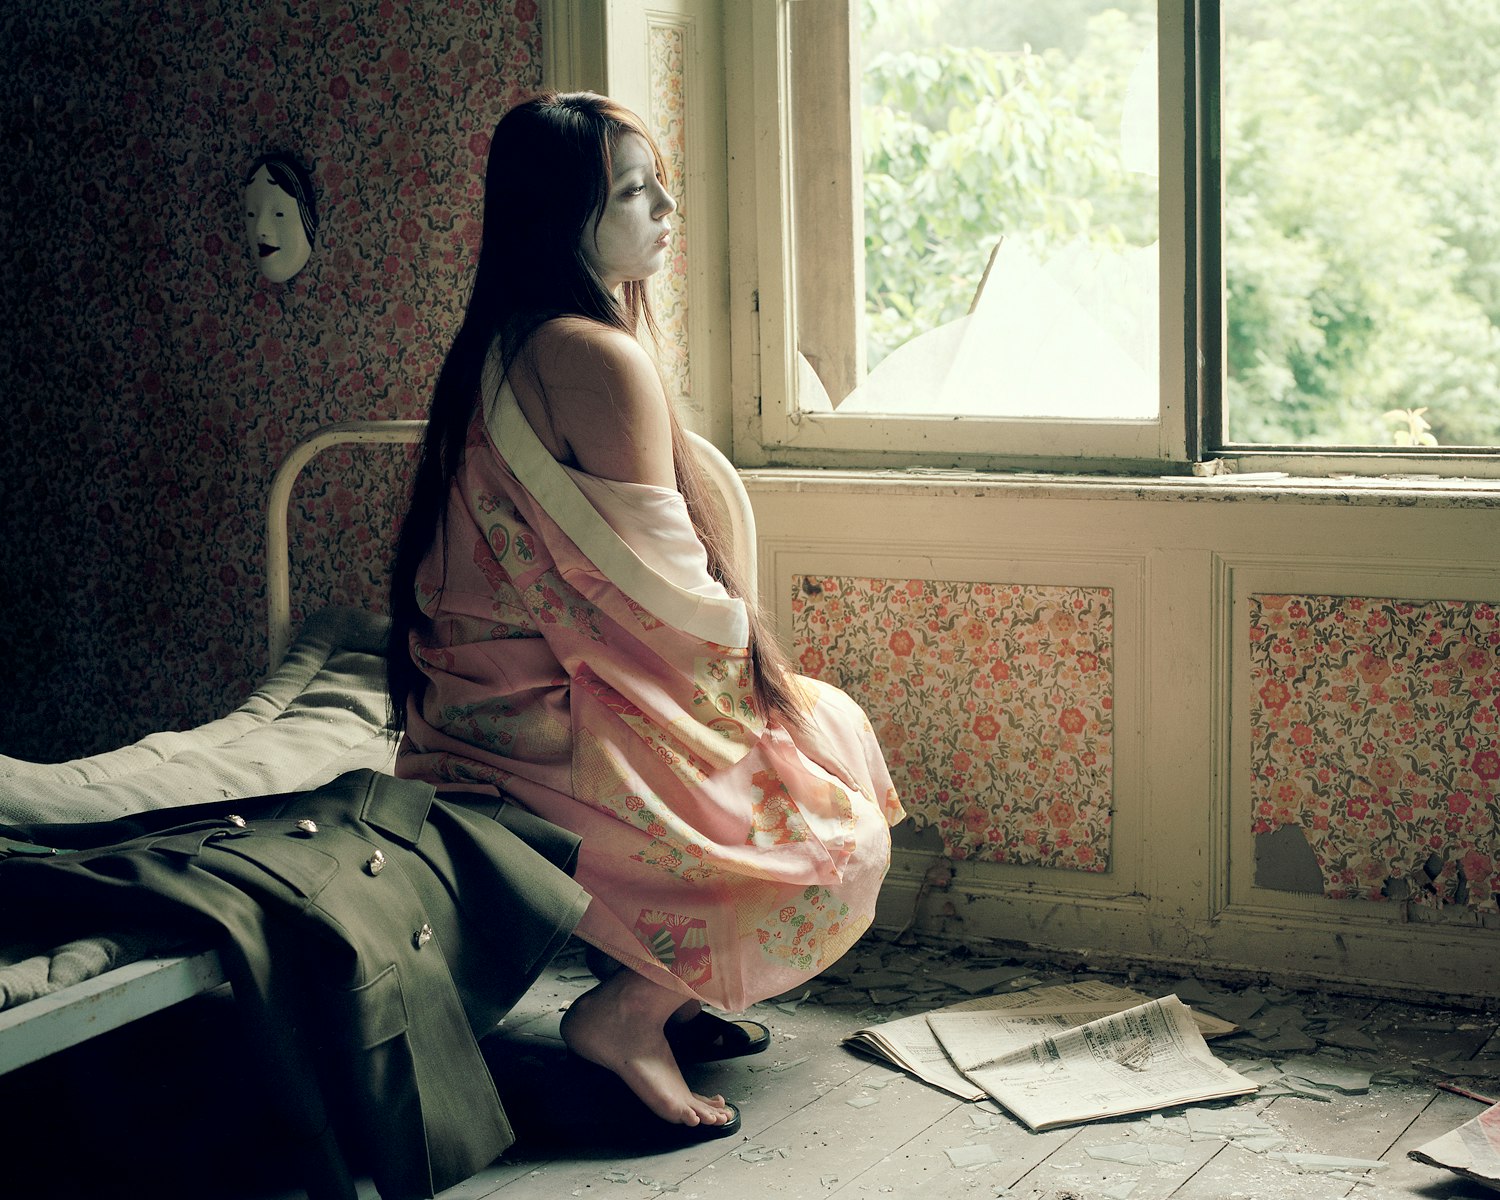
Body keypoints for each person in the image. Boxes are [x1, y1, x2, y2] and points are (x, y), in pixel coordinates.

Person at [387, 91, 904, 1134]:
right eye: (633, 191)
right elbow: (667, 595)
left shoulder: (503, 342)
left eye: (657, 184)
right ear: (558, 217)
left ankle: (677, 987)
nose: (666, 207)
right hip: (547, 723)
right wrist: (750, 695)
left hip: (472, 712)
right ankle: (627, 1014)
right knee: (834, 843)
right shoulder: (592, 352)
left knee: (825, 728)